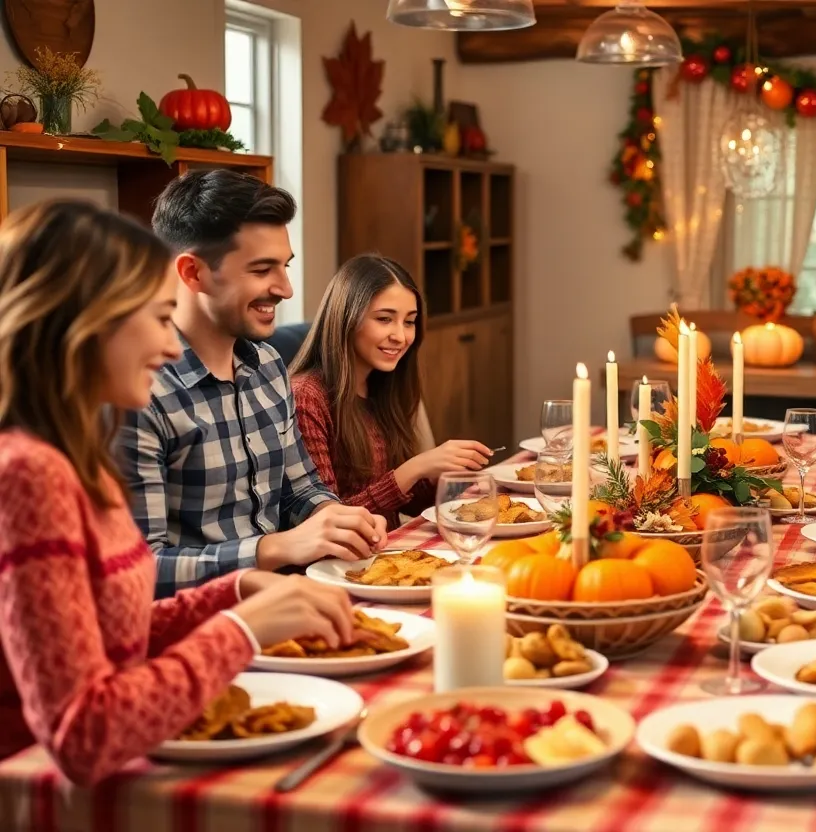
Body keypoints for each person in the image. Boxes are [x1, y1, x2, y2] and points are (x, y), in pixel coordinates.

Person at [0, 201, 357, 785]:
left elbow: (117, 628)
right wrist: (240, 630)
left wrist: (236, 590)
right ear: (86, 323)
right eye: (161, 318)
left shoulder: (76, 453)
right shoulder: (28, 475)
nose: (171, 348)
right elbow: (82, 736)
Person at [115, 170, 386, 599]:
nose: (286, 288)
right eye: (263, 270)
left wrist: (334, 517)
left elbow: (301, 488)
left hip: (287, 600)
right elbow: (138, 568)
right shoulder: (136, 392)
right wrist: (271, 548)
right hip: (202, 625)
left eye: (285, 266)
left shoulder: (268, 365)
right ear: (193, 273)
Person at [290, 254, 493, 530]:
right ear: (346, 318)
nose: (401, 336)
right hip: (334, 567)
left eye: (409, 322)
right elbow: (328, 523)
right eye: (385, 319)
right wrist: (414, 469)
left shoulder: (383, 385)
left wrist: (446, 482)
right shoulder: (307, 397)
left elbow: (400, 502)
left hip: (385, 553)